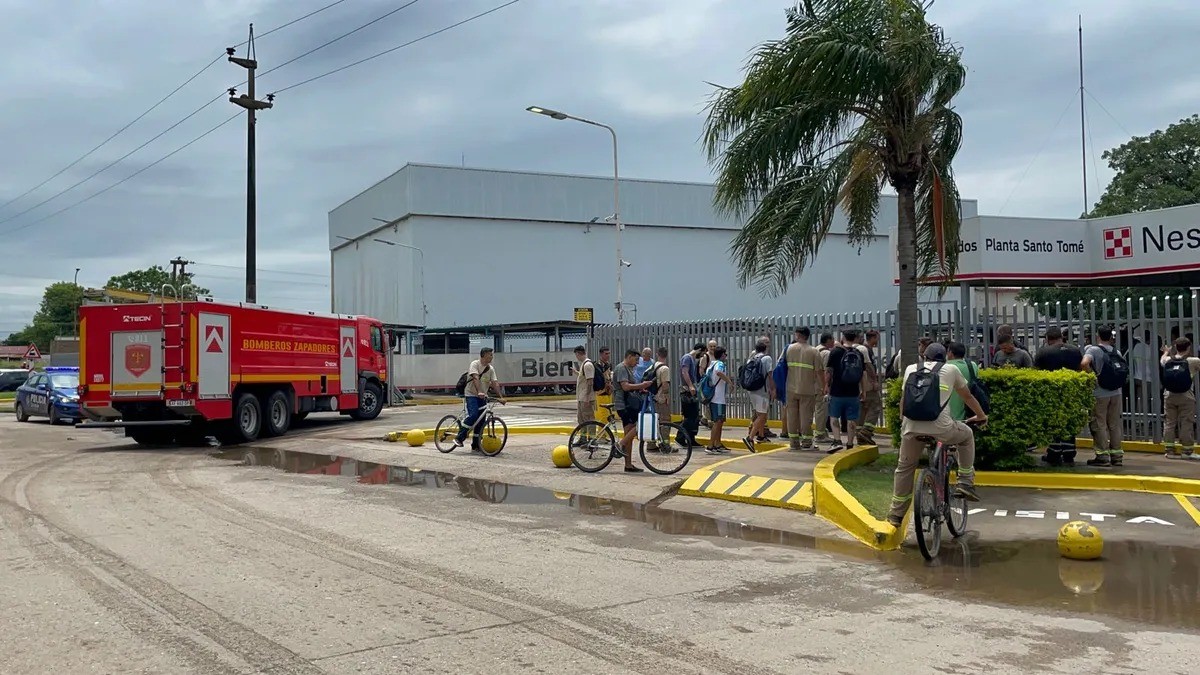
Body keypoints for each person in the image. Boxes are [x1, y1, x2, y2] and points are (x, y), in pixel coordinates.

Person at [888, 343, 988, 528]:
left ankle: (895, 514)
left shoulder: (911, 369)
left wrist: (904, 424)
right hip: (941, 428)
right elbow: (967, 397)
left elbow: (904, 400)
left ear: (923, 356)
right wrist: (981, 416)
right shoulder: (951, 369)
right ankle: (965, 482)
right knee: (966, 436)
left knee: (905, 467)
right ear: (946, 356)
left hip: (911, 427)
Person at [1034, 327, 1081, 465]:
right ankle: (1069, 454)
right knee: (1069, 423)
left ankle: (1054, 454)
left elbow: (1036, 374)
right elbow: (1080, 370)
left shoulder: (1043, 352)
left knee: (1054, 423)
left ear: (1048, 339)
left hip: (1052, 393)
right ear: (1061, 337)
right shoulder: (1075, 350)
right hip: (1072, 393)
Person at [1081, 327, 1125, 467]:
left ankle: (1102, 456)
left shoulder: (1093, 350)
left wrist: (1093, 376)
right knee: (1113, 424)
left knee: (1099, 423)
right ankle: (1117, 456)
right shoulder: (1115, 351)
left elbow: (1084, 363)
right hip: (1116, 392)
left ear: (1097, 335)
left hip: (1100, 393)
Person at [612, 349, 654, 472]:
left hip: (628, 404)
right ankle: (620, 445)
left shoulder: (628, 369)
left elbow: (631, 387)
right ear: (629, 357)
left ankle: (628, 465)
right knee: (640, 426)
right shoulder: (621, 368)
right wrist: (642, 385)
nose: (637, 363)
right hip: (624, 405)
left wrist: (641, 389)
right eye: (636, 360)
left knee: (629, 433)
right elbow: (625, 387)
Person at [456, 347, 505, 450]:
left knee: (481, 421)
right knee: (473, 415)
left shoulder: (490, 369)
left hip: (482, 396)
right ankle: (459, 438)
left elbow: (495, 383)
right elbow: (475, 378)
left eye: (492, 355)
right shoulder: (475, 364)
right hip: (471, 395)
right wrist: (479, 391)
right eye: (490, 355)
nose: (491, 357)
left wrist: (501, 397)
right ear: (483, 355)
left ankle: (476, 444)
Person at [784, 327, 824, 451]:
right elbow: (819, 372)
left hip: (790, 387)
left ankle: (793, 442)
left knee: (792, 416)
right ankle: (806, 442)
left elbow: (782, 366)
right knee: (806, 416)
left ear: (797, 335)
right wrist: (823, 386)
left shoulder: (789, 349)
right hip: (807, 388)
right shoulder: (813, 351)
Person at [1160, 337, 1200, 460]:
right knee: (1186, 422)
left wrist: (1166, 351)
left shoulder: (1167, 360)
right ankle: (1187, 451)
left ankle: (1169, 450)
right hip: (1186, 395)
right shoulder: (1193, 361)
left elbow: (1162, 360)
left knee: (1169, 423)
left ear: (1176, 347)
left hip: (1169, 395)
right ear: (1188, 348)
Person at [825, 330, 864, 452]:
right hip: (853, 392)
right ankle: (850, 443)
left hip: (837, 391)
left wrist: (826, 385)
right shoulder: (859, 353)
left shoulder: (835, 352)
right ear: (855, 338)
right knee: (852, 418)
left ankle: (837, 440)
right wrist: (863, 390)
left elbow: (829, 371)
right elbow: (863, 374)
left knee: (834, 416)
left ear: (843, 338)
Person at [742, 338, 776, 452]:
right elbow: (770, 375)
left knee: (760, 414)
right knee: (762, 416)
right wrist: (773, 389)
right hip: (762, 390)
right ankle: (750, 438)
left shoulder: (752, 358)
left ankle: (761, 436)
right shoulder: (767, 358)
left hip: (752, 390)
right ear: (765, 348)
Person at [704, 345, 734, 454]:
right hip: (718, 398)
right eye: (725, 354)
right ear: (722, 355)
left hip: (714, 397)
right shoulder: (720, 364)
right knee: (717, 422)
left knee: (720, 422)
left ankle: (717, 444)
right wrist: (729, 382)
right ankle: (711, 445)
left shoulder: (711, 364)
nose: (726, 356)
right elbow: (719, 373)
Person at [677, 343, 705, 447]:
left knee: (694, 416)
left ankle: (691, 438)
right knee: (689, 416)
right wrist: (690, 386)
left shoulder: (692, 359)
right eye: (702, 353)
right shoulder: (687, 358)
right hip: (687, 391)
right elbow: (685, 372)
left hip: (691, 390)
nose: (701, 356)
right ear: (699, 350)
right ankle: (680, 437)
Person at [857, 330, 882, 444]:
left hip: (861, 384)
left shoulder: (863, 349)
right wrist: (875, 381)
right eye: (877, 338)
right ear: (872, 338)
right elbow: (869, 367)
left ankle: (860, 433)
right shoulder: (866, 349)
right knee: (876, 406)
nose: (878, 340)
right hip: (868, 383)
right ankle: (866, 431)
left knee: (863, 408)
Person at [814, 333, 836, 444]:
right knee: (822, 410)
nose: (833, 341)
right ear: (828, 340)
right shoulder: (827, 353)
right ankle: (820, 434)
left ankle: (821, 432)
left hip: (812, 384)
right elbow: (826, 371)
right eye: (832, 339)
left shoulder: (815, 349)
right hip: (820, 385)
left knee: (816, 410)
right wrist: (826, 385)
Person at [572, 345, 596, 432]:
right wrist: (576, 372)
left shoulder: (587, 365)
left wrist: (587, 398)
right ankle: (583, 438)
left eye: (576, 355)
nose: (576, 357)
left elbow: (590, 382)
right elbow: (584, 378)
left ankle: (591, 439)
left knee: (589, 418)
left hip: (586, 398)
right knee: (581, 419)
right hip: (581, 397)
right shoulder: (584, 364)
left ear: (578, 354)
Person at [698, 339, 718, 429]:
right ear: (708, 347)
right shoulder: (705, 357)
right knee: (708, 401)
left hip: (716, 383)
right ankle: (710, 421)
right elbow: (701, 370)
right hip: (708, 383)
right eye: (711, 346)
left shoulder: (717, 356)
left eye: (714, 346)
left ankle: (705, 419)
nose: (713, 348)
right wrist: (706, 382)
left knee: (713, 401)